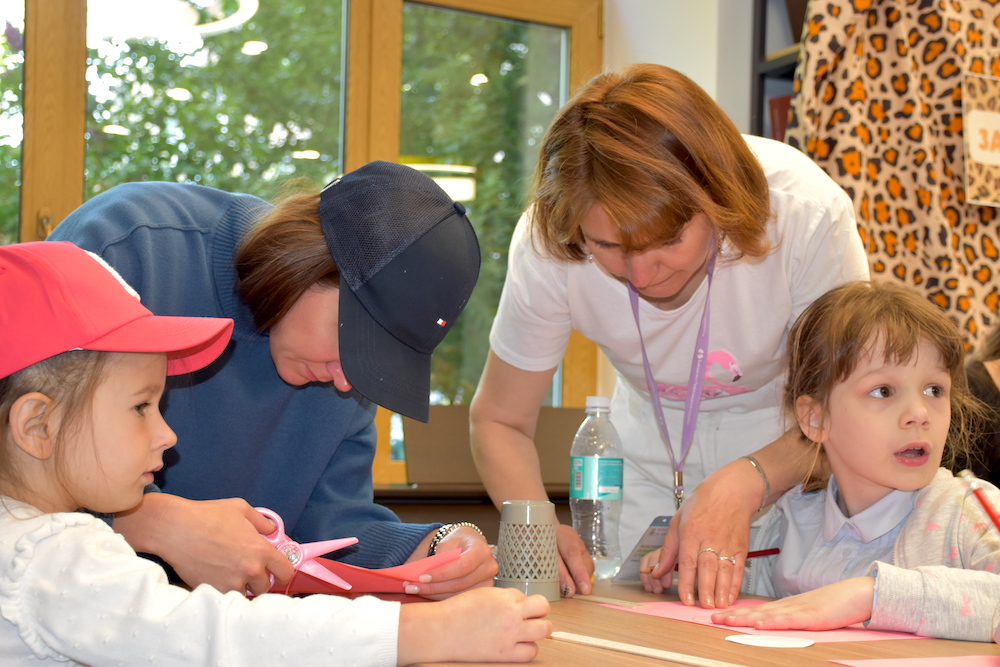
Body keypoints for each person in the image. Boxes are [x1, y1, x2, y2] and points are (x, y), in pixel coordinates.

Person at [0, 241, 551, 665]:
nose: (168, 436)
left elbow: (341, 520)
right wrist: (433, 632)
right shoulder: (49, 559)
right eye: (142, 406)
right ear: (37, 425)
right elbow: (214, 639)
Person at [469, 63, 870, 605]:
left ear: (716, 198)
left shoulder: (805, 216)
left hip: (791, 452)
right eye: (607, 247)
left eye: (666, 241)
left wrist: (748, 479)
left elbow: (850, 411)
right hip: (645, 457)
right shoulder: (551, 240)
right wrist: (535, 524)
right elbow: (499, 418)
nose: (640, 275)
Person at [48, 161, 493, 598]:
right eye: (358, 346)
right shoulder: (131, 247)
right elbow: (19, 466)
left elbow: (334, 530)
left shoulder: (338, 371)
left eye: (378, 362)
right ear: (309, 264)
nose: (347, 382)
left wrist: (435, 549)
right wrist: (148, 521)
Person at [642, 280, 1000, 642]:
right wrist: (684, 570)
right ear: (815, 419)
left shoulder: (971, 513)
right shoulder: (790, 520)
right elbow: (746, 603)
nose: (919, 414)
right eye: (883, 391)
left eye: (934, 390)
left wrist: (868, 596)